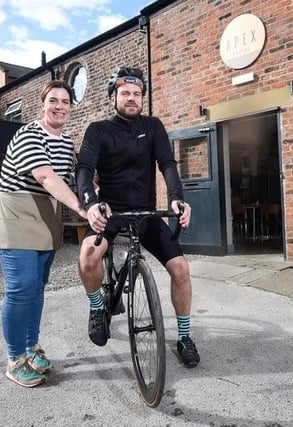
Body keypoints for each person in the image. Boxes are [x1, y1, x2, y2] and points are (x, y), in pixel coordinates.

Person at [75, 66, 200, 368]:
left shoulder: (153, 127)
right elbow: (84, 170)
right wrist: (91, 203)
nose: (131, 98)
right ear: (113, 97)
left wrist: (177, 199)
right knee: (89, 255)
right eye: (125, 93)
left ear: (142, 98)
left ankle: (184, 336)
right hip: (111, 211)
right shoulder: (98, 130)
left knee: (181, 269)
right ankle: (96, 308)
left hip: (145, 214)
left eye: (136, 94)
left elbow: (167, 164)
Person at [0, 80, 88, 387]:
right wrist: (80, 208)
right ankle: (15, 358)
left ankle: (32, 347)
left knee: (38, 286)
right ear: (42, 105)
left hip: (45, 214)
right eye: (53, 100)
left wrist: (94, 199)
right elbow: (46, 176)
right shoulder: (29, 133)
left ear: (71, 107)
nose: (59, 106)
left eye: (65, 101)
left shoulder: (67, 142)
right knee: (21, 286)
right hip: (14, 212)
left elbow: (75, 180)